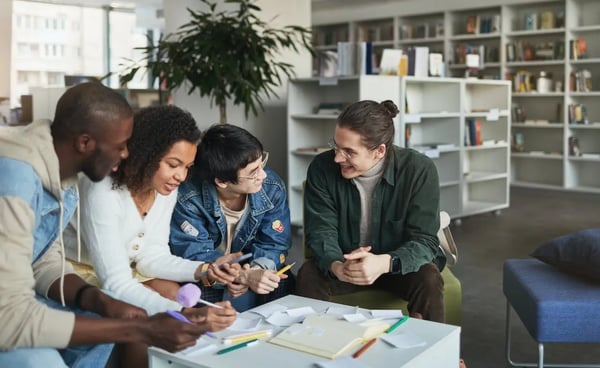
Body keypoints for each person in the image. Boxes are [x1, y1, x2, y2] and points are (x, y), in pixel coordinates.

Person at [0, 83, 235, 368]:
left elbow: (42, 260)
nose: (126, 154)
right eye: (120, 146)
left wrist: (96, 300)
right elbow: (10, 319)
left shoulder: (62, 174)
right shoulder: (16, 180)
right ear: (85, 143)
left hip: (22, 302)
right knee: (43, 361)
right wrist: (140, 328)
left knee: (109, 310)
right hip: (10, 315)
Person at [63, 105, 239, 366]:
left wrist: (205, 269)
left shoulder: (163, 188)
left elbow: (150, 255)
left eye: (187, 167)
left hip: (124, 271)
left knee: (169, 290)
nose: (181, 176)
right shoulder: (102, 187)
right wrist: (187, 313)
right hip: (76, 274)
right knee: (145, 310)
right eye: (173, 164)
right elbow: (115, 283)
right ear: (146, 153)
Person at [296, 99, 447, 322]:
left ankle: (438, 353)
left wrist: (384, 262)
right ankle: (309, 344)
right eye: (336, 146)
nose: (338, 157)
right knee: (309, 274)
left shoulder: (418, 169)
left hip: (398, 265)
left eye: (349, 152)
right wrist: (337, 265)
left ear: (379, 151)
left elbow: (424, 240)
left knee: (429, 277)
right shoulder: (321, 168)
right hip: (346, 264)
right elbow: (320, 231)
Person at [169, 123, 293, 311]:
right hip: (209, 270)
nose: (263, 175)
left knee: (281, 281)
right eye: (253, 172)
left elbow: (274, 244)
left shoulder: (271, 187)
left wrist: (256, 271)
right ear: (222, 181)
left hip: (251, 266)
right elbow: (194, 255)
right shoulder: (188, 197)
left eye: (262, 164)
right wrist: (238, 277)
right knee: (199, 289)